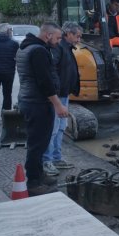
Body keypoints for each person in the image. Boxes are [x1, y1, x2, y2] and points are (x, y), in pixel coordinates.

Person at [16, 22, 69, 196]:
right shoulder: (39, 51)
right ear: (48, 35)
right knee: (37, 144)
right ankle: (33, 182)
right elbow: (44, 81)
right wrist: (58, 104)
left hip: (29, 101)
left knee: (38, 142)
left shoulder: (26, 48)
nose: (59, 41)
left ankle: (38, 174)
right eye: (58, 37)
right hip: (37, 103)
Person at [43, 22, 82, 176]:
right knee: (52, 129)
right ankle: (47, 161)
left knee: (60, 128)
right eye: (77, 36)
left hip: (64, 94)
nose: (79, 40)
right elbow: (51, 72)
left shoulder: (67, 49)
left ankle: (56, 158)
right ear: (68, 34)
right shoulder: (59, 48)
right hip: (58, 96)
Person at [0, 23, 19, 122]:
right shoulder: (14, 44)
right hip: (8, 72)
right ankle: (6, 114)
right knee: (7, 93)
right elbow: (16, 57)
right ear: (8, 31)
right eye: (11, 30)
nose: (11, 32)